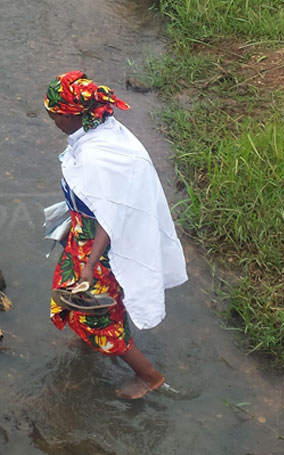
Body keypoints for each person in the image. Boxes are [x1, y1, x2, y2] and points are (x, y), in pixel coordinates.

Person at [44, 70, 187, 399]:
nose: (50, 118)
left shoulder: (98, 156)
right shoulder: (103, 131)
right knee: (77, 300)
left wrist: (90, 264)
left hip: (99, 248)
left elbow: (112, 213)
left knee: (100, 315)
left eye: (54, 113)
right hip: (84, 237)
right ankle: (86, 339)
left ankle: (148, 376)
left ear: (71, 114)